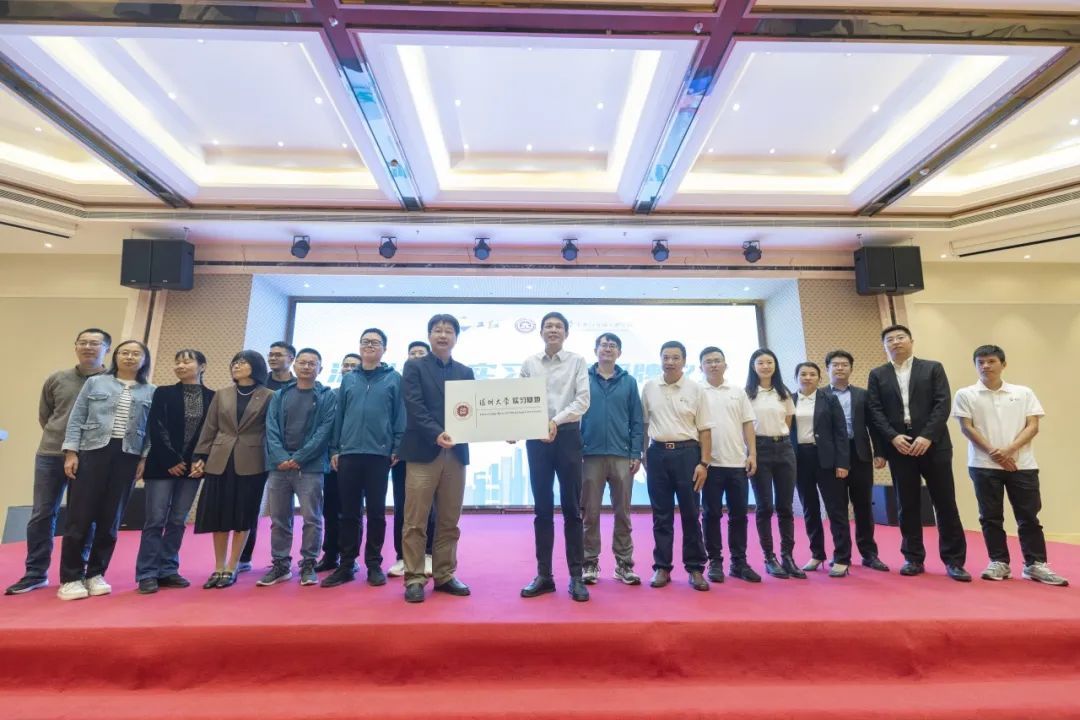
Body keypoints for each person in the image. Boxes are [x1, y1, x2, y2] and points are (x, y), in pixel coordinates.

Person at [6, 328, 110, 596]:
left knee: (84, 517)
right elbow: (47, 415)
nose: (88, 347)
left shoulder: (112, 382)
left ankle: (78, 571)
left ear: (106, 349)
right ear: (76, 346)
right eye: (83, 342)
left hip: (91, 457)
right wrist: (62, 442)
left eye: (95, 343)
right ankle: (35, 572)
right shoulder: (57, 378)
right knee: (42, 513)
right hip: (51, 454)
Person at [953, 345, 1067, 586]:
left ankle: (1035, 564)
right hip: (983, 465)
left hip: (1022, 464)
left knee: (1028, 516)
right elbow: (966, 427)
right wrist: (994, 454)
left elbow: (1033, 426)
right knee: (990, 516)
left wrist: (1008, 451)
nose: (985, 366)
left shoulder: (1023, 392)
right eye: (980, 362)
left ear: (1003, 364)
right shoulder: (966, 394)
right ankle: (999, 562)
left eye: (991, 361)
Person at [867, 324, 970, 582]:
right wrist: (892, 437)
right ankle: (913, 558)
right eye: (890, 339)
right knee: (907, 504)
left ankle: (954, 561)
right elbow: (875, 411)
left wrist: (927, 436)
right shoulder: (878, 374)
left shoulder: (932, 368)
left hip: (933, 444)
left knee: (945, 503)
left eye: (900, 337)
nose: (896, 342)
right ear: (884, 346)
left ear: (911, 341)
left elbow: (942, 403)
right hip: (899, 446)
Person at [57, 340, 155, 600]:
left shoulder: (151, 391)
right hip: (92, 452)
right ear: (116, 356)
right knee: (80, 516)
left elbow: (150, 430)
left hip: (128, 456)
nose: (130, 357)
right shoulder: (96, 382)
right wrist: (71, 452)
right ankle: (70, 578)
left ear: (144, 360)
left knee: (111, 518)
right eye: (125, 352)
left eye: (136, 354)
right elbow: (77, 417)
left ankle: (95, 573)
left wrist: (144, 458)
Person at [399, 315, 474, 603]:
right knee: (415, 520)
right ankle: (415, 577)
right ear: (429, 335)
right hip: (423, 450)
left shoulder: (465, 371)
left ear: (456, 337)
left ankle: (444, 574)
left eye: (448, 331)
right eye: (437, 330)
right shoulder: (414, 366)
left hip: (455, 453)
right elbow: (414, 405)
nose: (443, 335)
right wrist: (436, 433)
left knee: (449, 519)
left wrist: (504, 429)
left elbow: (473, 411)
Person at [322, 330, 404, 589]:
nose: (369, 346)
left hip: (379, 454)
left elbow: (399, 415)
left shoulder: (394, 378)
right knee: (348, 512)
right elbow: (339, 416)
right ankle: (346, 565)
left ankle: (374, 564)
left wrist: (396, 446)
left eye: (375, 342)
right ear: (359, 347)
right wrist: (335, 449)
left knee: (377, 512)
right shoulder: (349, 379)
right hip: (348, 454)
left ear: (384, 349)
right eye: (365, 342)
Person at [519, 312, 591, 602]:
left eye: (558, 326)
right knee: (542, 509)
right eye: (548, 326)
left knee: (572, 509)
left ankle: (576, 576)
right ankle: (544, 575)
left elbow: (582, 400)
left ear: (566, 333)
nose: (553, 330)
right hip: (537, 439)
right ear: (540, 332)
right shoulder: (530, 363)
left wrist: (555, 421)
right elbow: (520, 401)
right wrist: (515, 426)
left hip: (568, 436)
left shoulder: (577, 361)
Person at [191, 351, 274, 589]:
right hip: (220, 458)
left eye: (242, 362)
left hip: (253, 460)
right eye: (234, 363)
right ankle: (218, 566)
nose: (236, 366)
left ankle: (233, 565)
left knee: (242, 514)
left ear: (256, 367)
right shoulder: (222, 394)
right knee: (218, 514)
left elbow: (272, 430)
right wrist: (200, 455)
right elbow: (210, 426)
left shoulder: (269, 395)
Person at [134, 349, 215, 594]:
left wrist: (199, 460)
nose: (180, 366)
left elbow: (210, 433)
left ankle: (168, 568)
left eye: (187, 361)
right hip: (161, 464)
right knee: (155, 519)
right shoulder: (163, 392)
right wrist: (171, 459)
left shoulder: (212, 397)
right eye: (177, 362)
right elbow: (156, 426)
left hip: (194, 467)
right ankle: (147, 572)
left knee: (178, 519)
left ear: (202, 366)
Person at [259, 348, 336, 588]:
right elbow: (271, 427)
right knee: (279, 518)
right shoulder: (280, 395)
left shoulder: (327, 396)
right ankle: (280, 564)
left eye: (312, 363)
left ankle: (309, 564)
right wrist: (281, 456)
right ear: (294, 366)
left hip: (310, 467)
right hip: (279, 466)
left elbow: (325, 431)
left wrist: (300, 457)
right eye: (302, 362)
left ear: (320, 369)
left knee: (312, 518)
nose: (306, 367)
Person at [640, 341, 713, 591]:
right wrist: (644, 455)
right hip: (657, 454)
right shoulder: (649, 387)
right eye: (666, 357)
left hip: (688, 455)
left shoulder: (696, 389)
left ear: (684, 361)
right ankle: (662, 567)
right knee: (661, 515)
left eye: (675, 357)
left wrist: (704, 463)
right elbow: (644, 425)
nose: (670, 362)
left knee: (691, 513)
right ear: (660, 359)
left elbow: (705, 429)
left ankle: (695, 568)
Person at [579, 332, 643, 586]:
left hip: (621, 456)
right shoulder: (582, 378)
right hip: (589, 455)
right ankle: (589, 562)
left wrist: (635, 453)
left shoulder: (629, 382)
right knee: (590, 513)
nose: (607, 349)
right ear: (595, 350)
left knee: (623, 513)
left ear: (619, 352)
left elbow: (636, 420)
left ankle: (624, 564)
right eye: (603, 345)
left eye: (612, 345)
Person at [823, 350, 889, 572]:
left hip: (859, 454)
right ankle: (842, 555)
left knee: (863, 506)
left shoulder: (863, 394)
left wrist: (880, 451)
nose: (840, 368)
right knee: (837, 508)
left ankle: (869, 554)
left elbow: (874, 426)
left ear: (851, 369)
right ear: (827, 369)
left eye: (844, 364)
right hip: (832, 457)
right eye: (835, 365)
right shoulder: (820, 396)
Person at [699, 346, 760, 584]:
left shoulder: (737, 392)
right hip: (709, 464)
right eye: (708, 361)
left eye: (717, 360)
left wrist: (752, 453)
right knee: (711, 514)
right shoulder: (697, 391)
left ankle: (739, 562)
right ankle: (714, 561)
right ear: (701, 366)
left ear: (726, 364)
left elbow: (747, 424)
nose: (713, 364)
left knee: (739, 515)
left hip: (737, 463)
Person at [235, 341, 296, 572]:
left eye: (279, 355)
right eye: (270, 354)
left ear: (291, 358)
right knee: (250, 505)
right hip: (257, 451)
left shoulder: (298, 385)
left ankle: (282, 560)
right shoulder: (259, 384)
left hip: (290, 454)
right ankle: (243, 557)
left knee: (284, 511)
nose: (273, 358)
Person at [791, 362, 851, 578]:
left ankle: (842, 557)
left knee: (836, 509)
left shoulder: (829, 399)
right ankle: (817, 554)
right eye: (803, 374)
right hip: (800, 459)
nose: (807, 377)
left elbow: (841, 433)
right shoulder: (789, 400)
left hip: (826, 459)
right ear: (796, 377)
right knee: (809, 509)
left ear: (819, 378)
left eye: (812, 374)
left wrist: (842, 463)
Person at [745, 349, 801, 579]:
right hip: (759, 449)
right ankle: (770, 557)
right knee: (765, 506)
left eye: (770, 362)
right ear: (753, 366)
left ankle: (788, 556)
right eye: (761, 362)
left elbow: (787, 422)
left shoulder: (783, 392)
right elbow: (745, 427)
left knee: (785, 507)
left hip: (784, 449)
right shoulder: (747, 393)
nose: (766, 366)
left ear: (775, 365)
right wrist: (752, 452)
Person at [389, 341, 436, 578]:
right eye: (412, 353)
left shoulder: (434, 383)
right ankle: (402, 557)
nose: (416, 356)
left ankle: (428, 555)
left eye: (421, 353)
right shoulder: (397, 384)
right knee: (403, 505)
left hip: (430, 450)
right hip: (402, 452)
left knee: (430, 506)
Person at [315, 352, 362, 573]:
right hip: (331, 460)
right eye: (346, 365)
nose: (348, 369)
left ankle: (349, 557)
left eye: (354, 366)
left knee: (351, 511)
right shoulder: (331, 395)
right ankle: (330, 554)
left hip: (356, 459)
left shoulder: (364, 395)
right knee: (330, 509)